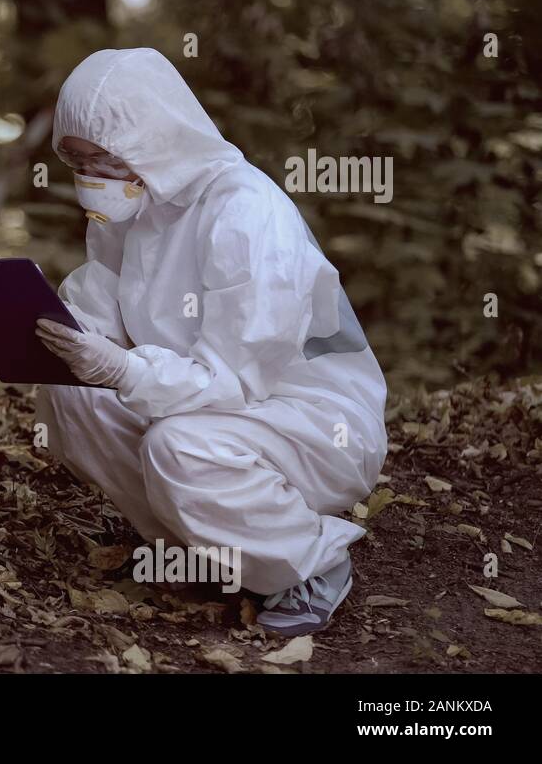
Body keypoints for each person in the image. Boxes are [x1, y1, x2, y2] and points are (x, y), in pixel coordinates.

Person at [33, 47, 387, 636]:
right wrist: (45, 327)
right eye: (76, 163)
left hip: (310, 421)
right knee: (74, 393)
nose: (90, 181)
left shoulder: (246, 213)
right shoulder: (136, 206)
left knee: (181, 446)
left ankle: (310, 561)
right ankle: (206, 550)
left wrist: (122, 371)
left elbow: (232, 381)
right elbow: (100, 307)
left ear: (147, 141)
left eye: (101, 161)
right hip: (209, 408)